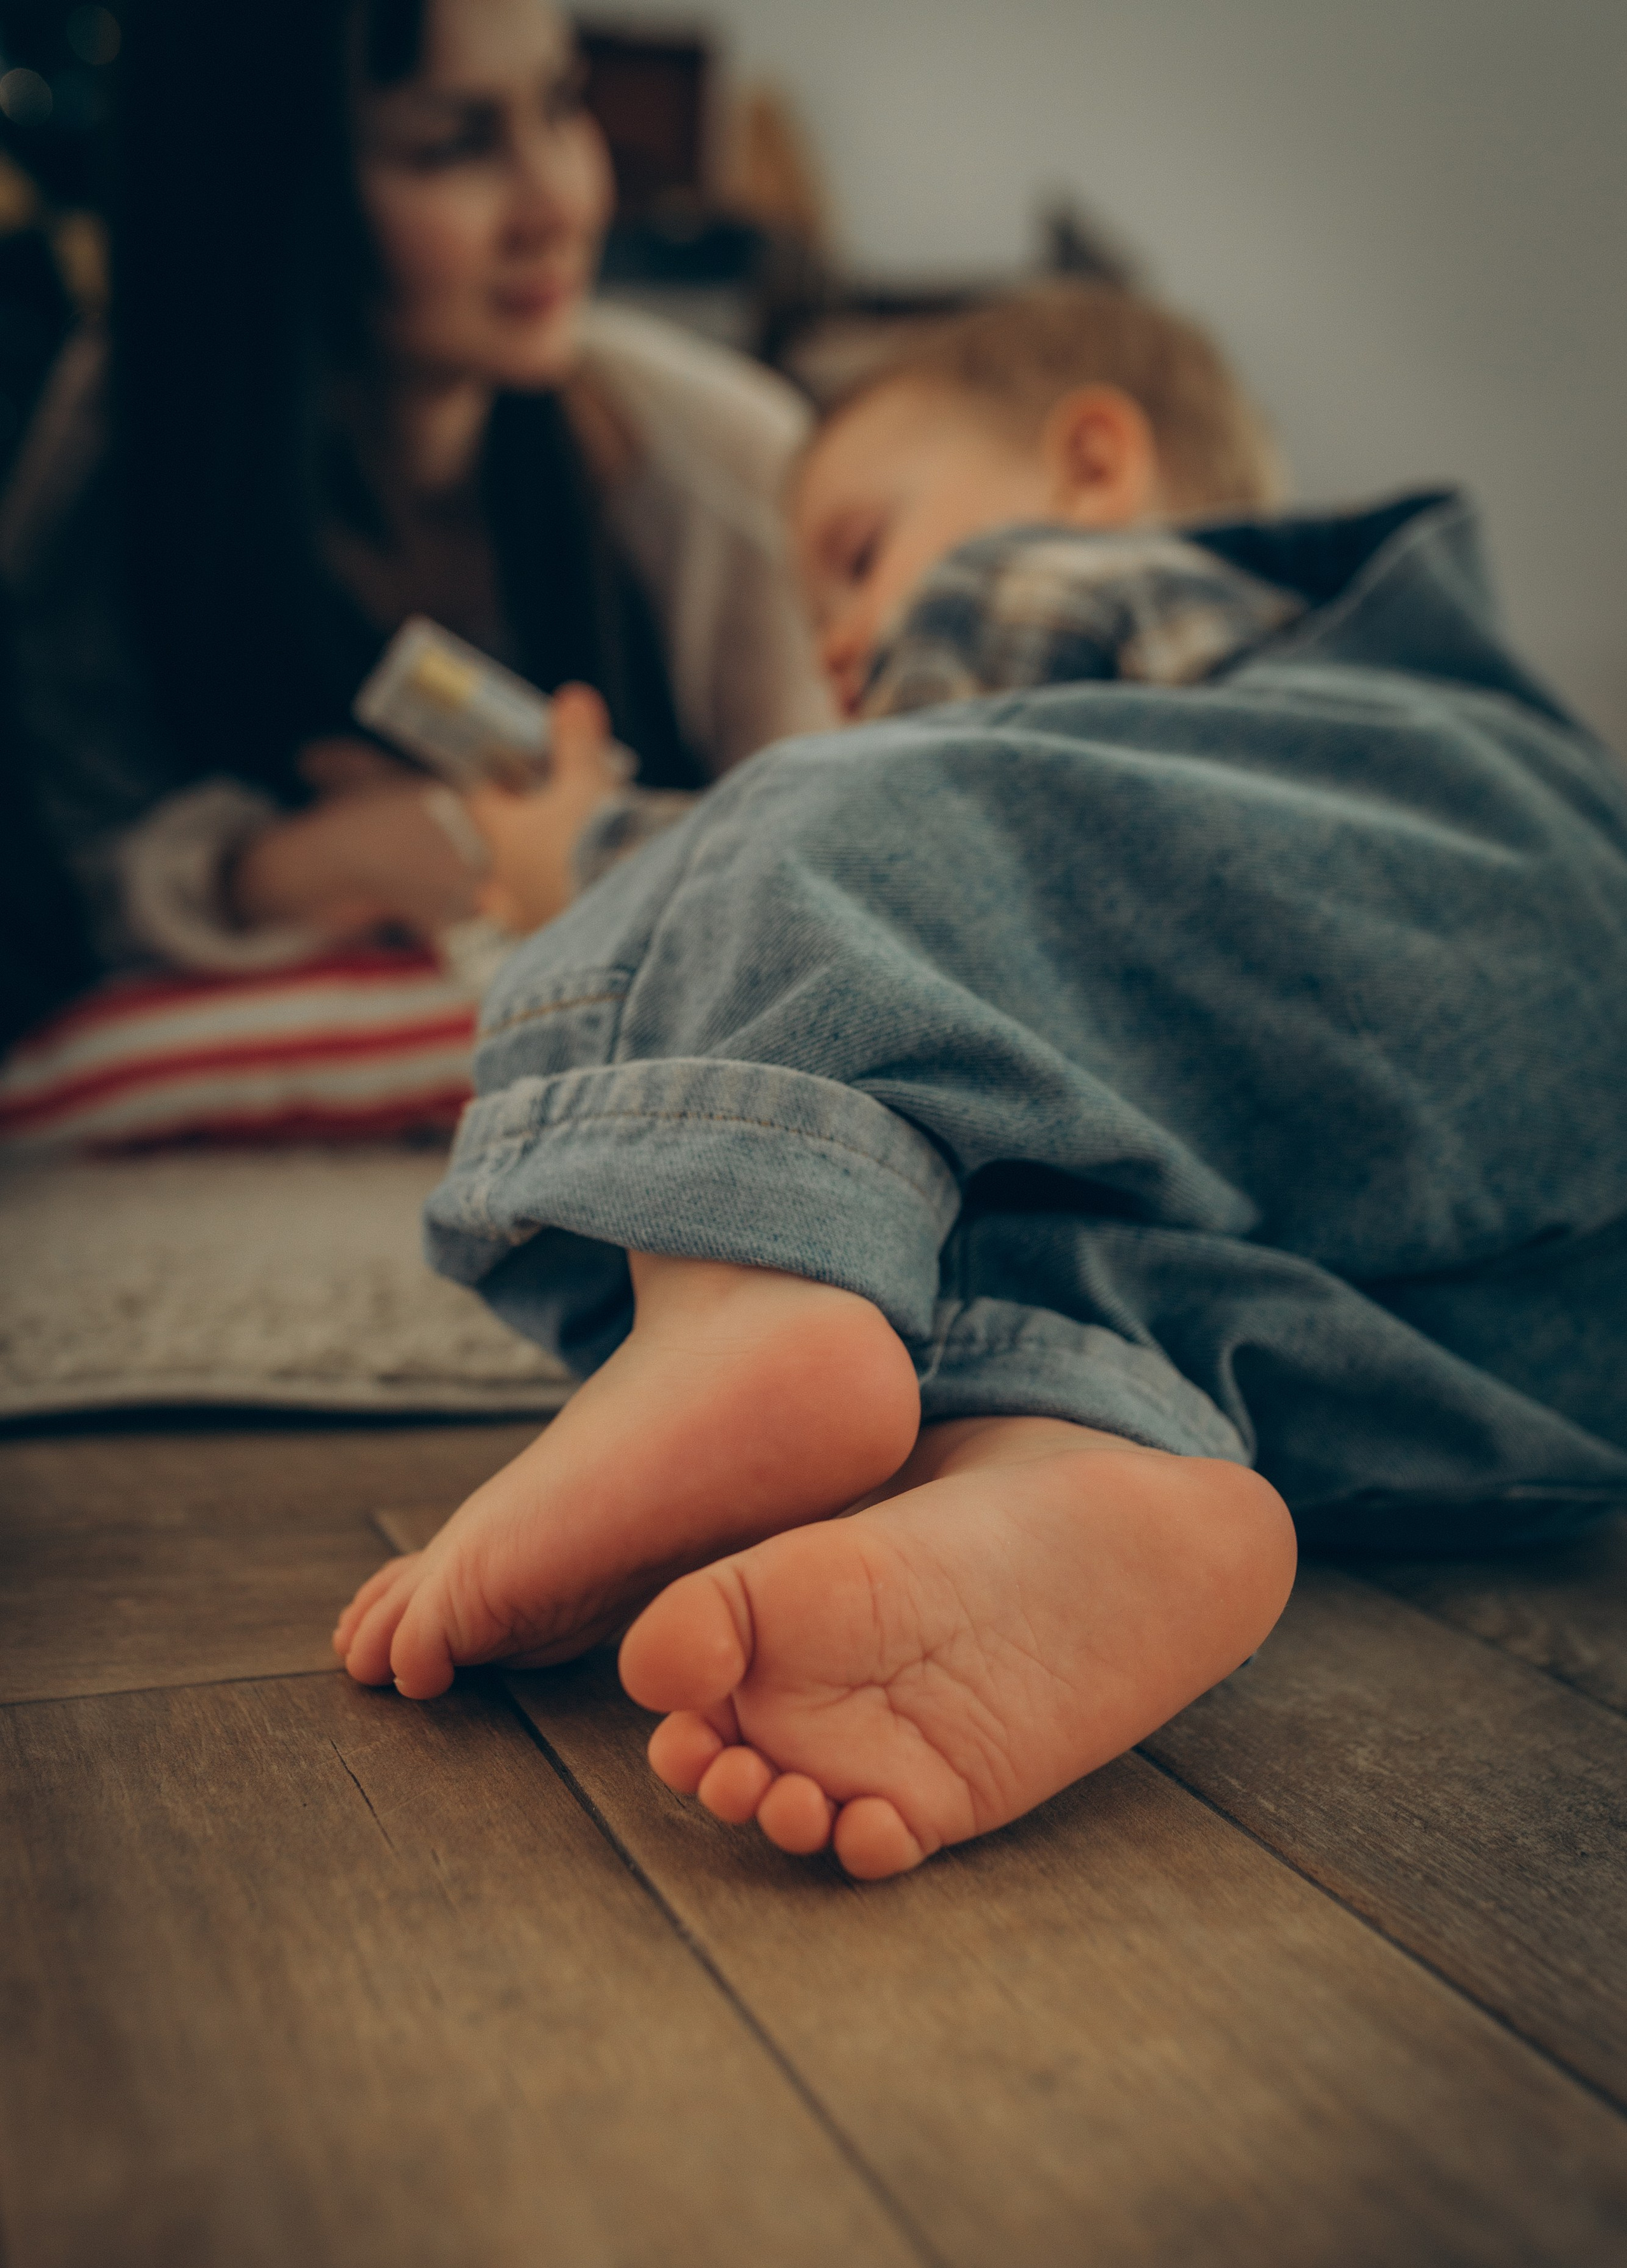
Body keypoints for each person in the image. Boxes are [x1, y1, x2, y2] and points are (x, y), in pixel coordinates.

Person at [336, 282, 1627, 1881]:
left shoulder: (1066, 592)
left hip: (1485, 931)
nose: (838, 643)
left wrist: (577, 853)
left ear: (1091, 463)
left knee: (794, 832)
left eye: (859, 555)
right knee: (1023, 1229)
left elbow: (878, 826)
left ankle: (744, 1295)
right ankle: (1063, 1469)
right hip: (1536, 1351)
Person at [0, 0, 826, 989]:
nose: (560, 199)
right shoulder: (113, 442)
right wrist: (272, 872)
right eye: (454, 144)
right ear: (264, 179)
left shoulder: (726, 461)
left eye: (564, 104)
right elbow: (74, 844)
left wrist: (588, 855)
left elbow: (827, 871)